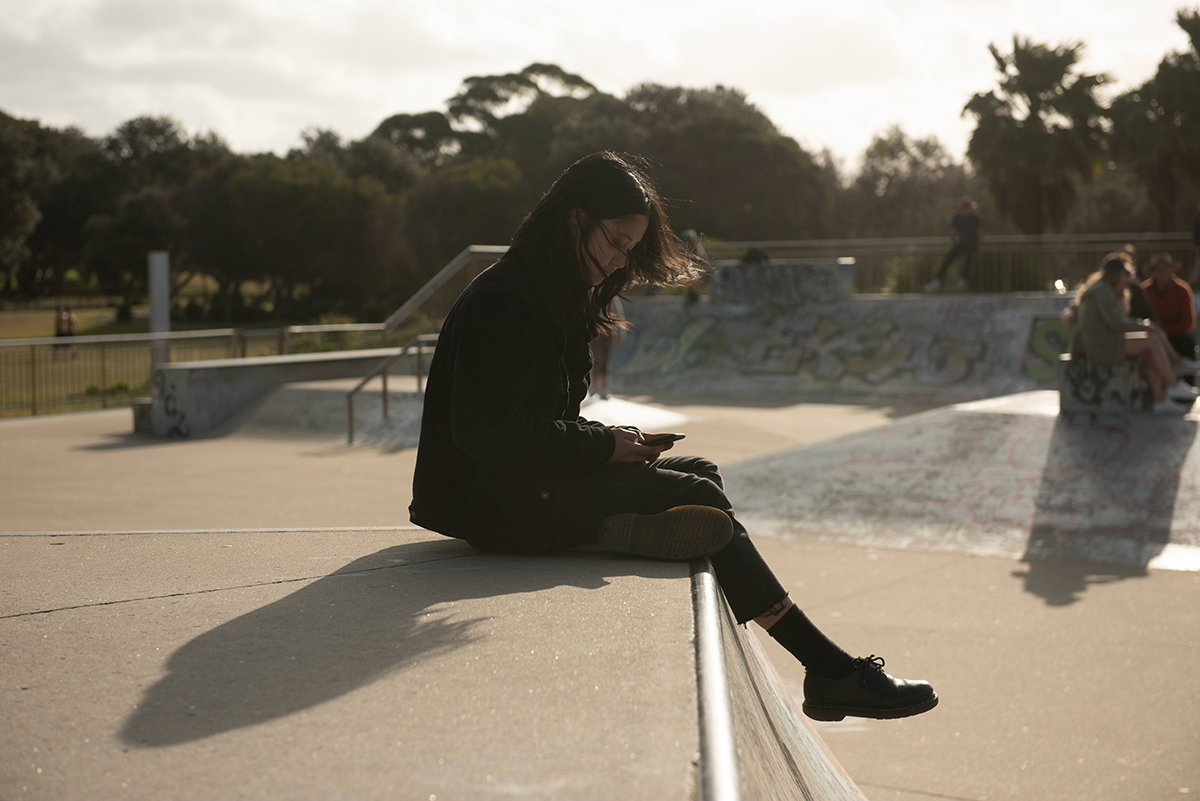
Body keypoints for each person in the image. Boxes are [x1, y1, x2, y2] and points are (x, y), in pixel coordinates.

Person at [409, 151, 937, 722]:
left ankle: (614, 529)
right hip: (486, 503)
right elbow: (487, 432)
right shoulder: (506, 299)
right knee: (699, 498)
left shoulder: (553, 295)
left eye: (629, 250)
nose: (617, 262)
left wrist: (615, 440)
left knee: (700, 473)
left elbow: (540, 421)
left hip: (518, 485)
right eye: (614, 241)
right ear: (574, 218)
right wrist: (602, 447)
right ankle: (829, 671)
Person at [1069, 256, 1196, 414]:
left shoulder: (1105, 289)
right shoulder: (1102, 291)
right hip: (1101, 347)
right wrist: (1143, 325)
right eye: (1126, 274)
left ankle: (1160, 400)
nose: (1129, 280)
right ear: (1116, 274)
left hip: (1107, 342)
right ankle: (1173, 383)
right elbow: (1116, 323)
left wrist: (1144, 326)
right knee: (1151, 342)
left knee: (1150, 351)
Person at [1142, 252, 1199, 369]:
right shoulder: (1144, 291)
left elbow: (1188, 322)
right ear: (1153, 272)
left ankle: (1188, 382)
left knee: (1186, 342)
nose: (1162, 272)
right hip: (1152, 333)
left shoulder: (1182, 289)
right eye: (1158, 269)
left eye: (1166, 268)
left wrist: (1165, 333)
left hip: (1174, 334)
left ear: (1171, 270)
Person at [924, 196, 982, 292]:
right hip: (960, 243)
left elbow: (979, 233)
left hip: (972, 244)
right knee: (947, 259)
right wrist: (953, 244)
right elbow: (953, 232)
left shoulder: (975, 217)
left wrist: (980, 248)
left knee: (968, 260)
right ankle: (937, 281)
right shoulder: (957, 217)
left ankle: (962, 280)